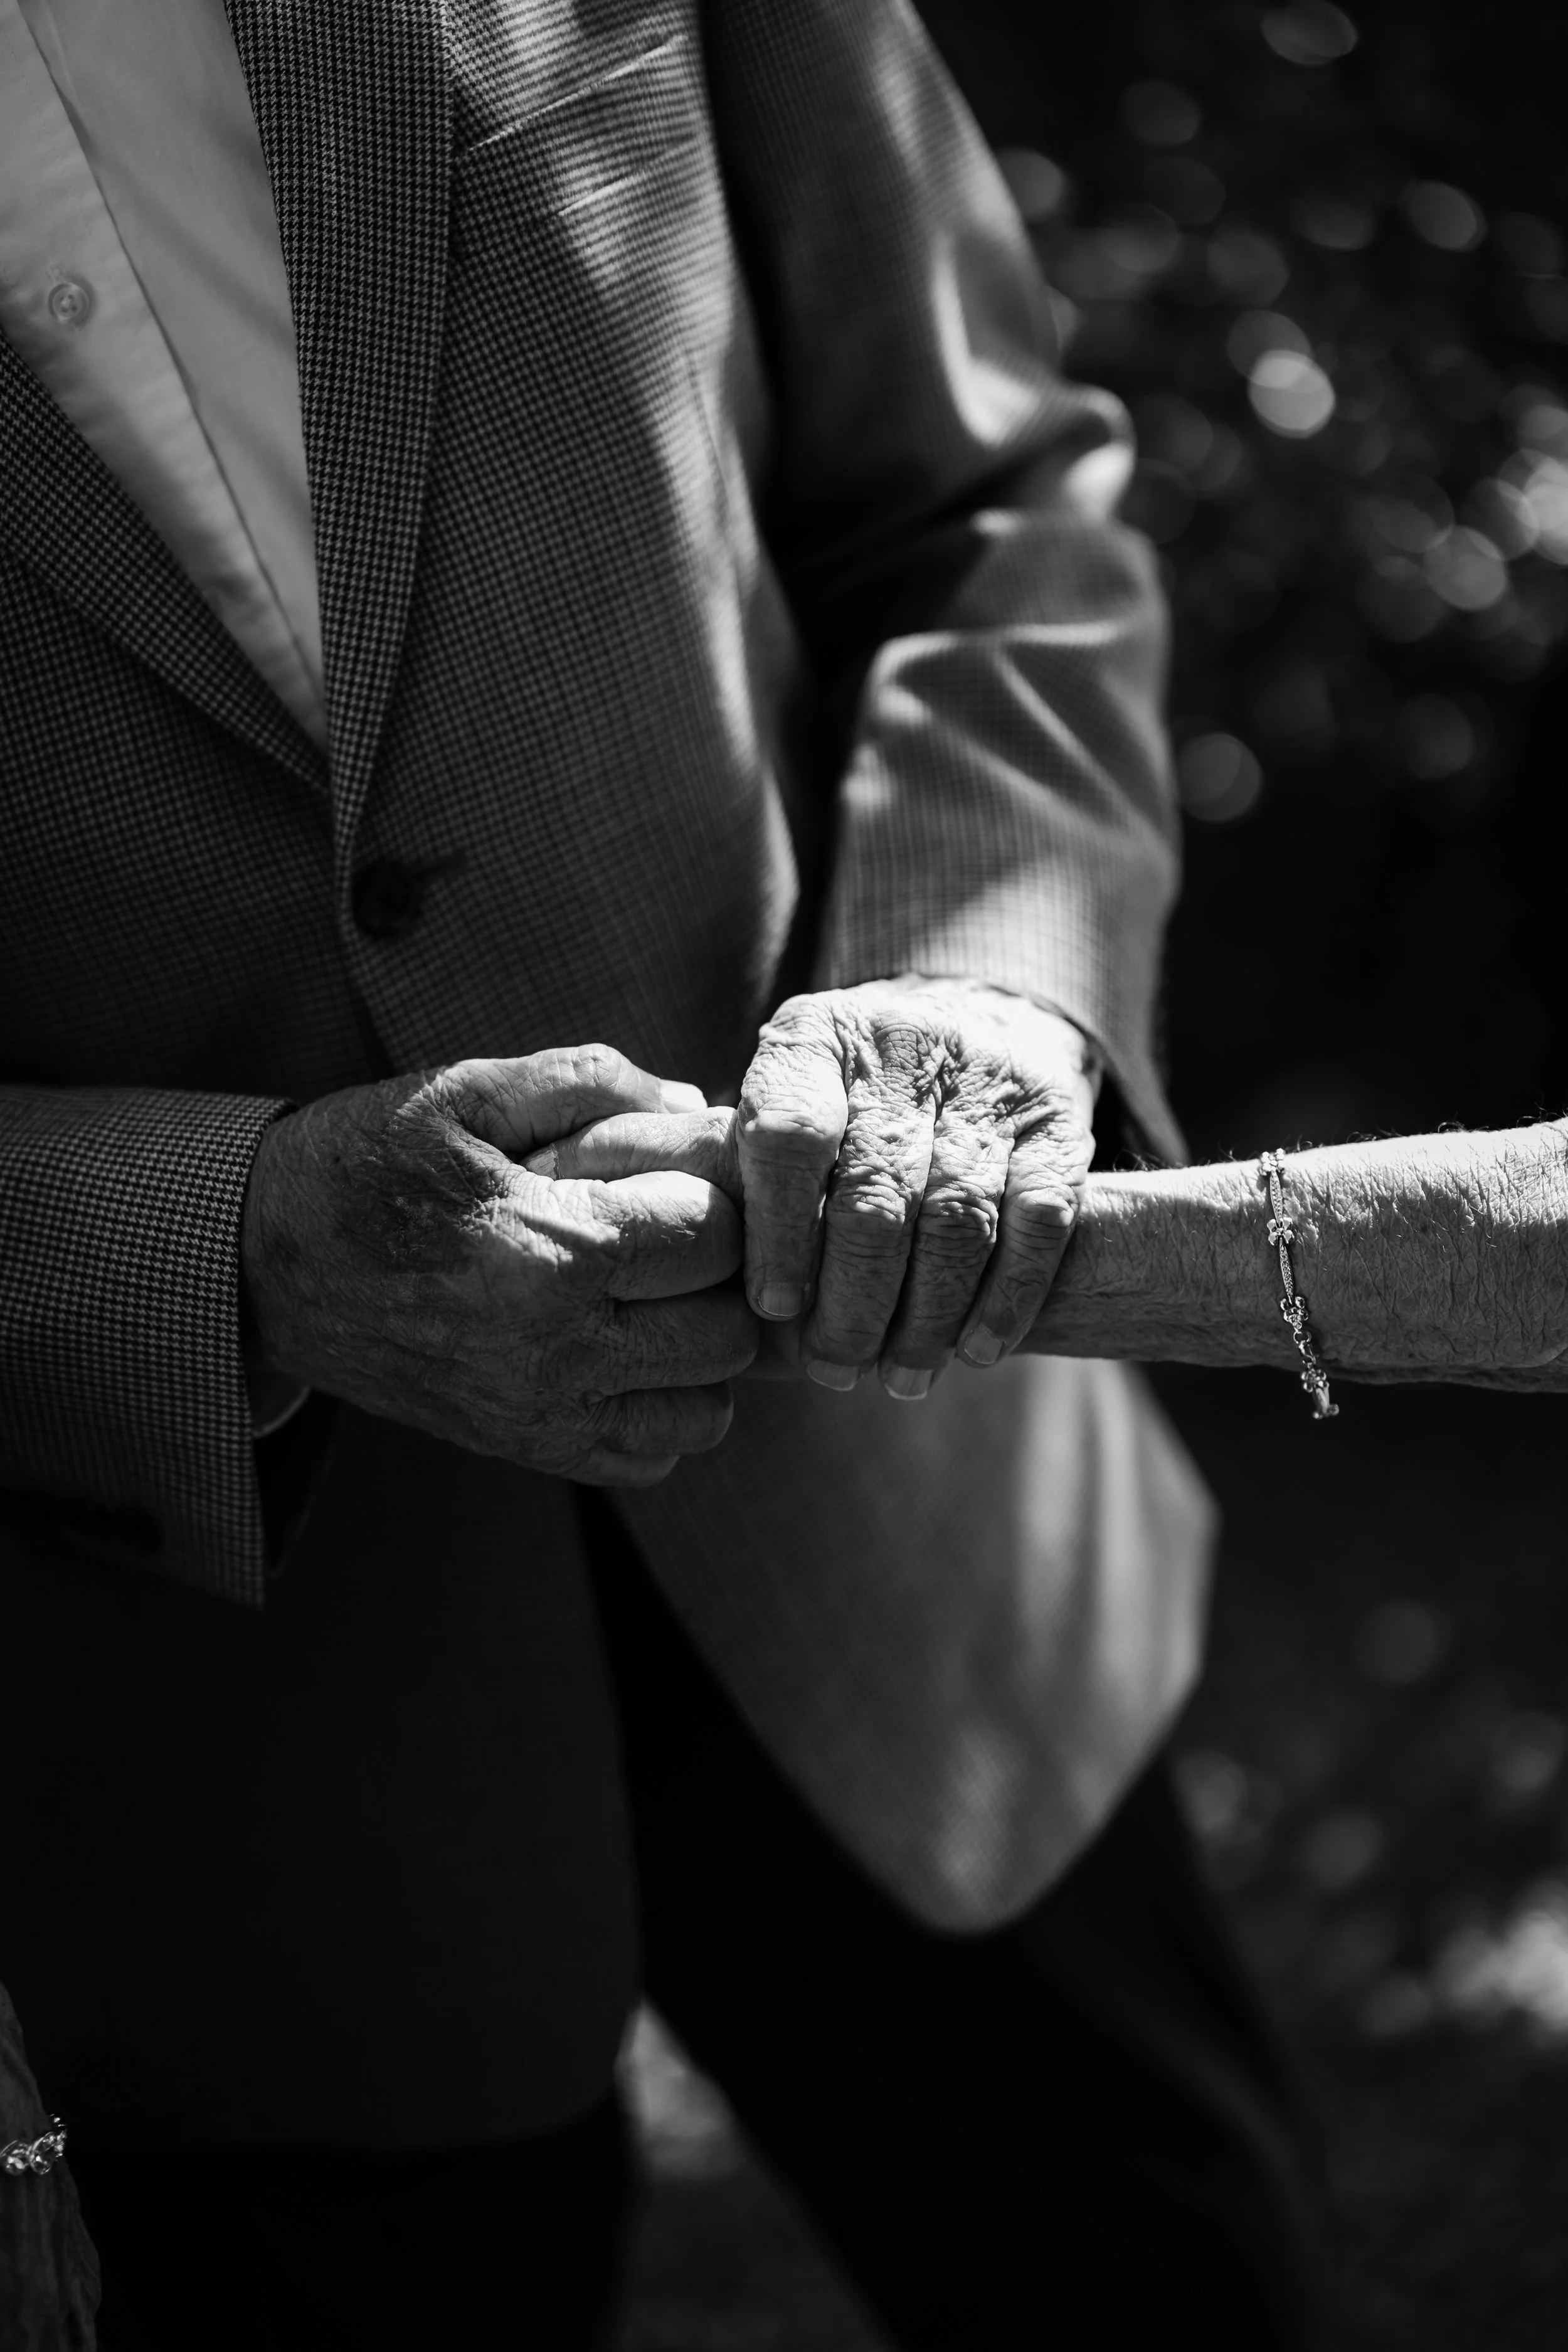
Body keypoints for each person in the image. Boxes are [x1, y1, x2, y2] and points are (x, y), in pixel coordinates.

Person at [0, 3, 1315, 2345]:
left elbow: (985, 498)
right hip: (197, 1731)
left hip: (909, 1511)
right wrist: (216, 1249)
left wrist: (986, 978)